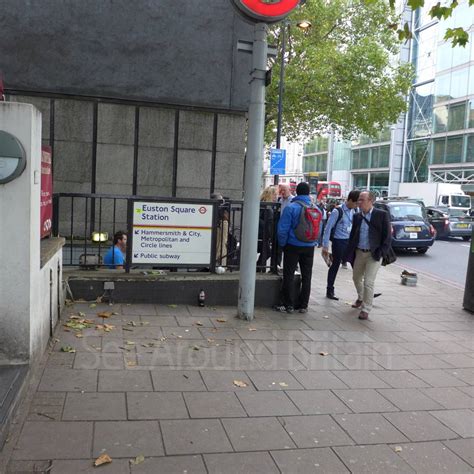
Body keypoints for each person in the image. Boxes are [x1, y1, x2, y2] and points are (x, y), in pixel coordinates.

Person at [345, 191, 391, 320]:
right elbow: (353, 235)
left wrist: (381, 252)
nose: (358, 202)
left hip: (374, 254)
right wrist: (349, 252)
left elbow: (387, 237)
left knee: (368, 282)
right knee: (356, 278)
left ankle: (366, 308)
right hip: (359, 252)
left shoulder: (381, 215)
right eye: (358, 200)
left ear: (371, 201)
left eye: (362, 200)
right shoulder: (357, 216)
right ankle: (361, 297)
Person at [276, 182, 319, 314]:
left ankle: (288, 304)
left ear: (297, 192)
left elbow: (282, 230)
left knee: (288, 274)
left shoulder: (291, 207)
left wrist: (282, 244)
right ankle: (303, 305)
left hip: (292, 245)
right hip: (309, 246)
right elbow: (319, 228)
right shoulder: (316, 208)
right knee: (307, 276)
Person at [322, 190, 360, 300]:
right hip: (339, 242)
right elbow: (328, 228)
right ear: (350, 200)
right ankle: (330, 290)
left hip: (349, 241)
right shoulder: (337, 211)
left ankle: (363, 292)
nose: (357, 205)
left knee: (356, 266)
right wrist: (325, 245)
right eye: (356, 202)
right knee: (335, 265)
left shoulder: (354, 210)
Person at [257, 186, 277, 272]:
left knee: (265, 252)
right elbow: (267, 223)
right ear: (270, 195)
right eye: (275, 195)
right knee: (267, 252)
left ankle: (259, 268)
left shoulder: (261, 204)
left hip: (260, 233)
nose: (276, 197)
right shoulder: (267, 207)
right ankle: (257, 268)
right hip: (262, 234)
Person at [276, 184, 293, 268]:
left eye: (284, 190)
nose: (282, 192)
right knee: (278, 249)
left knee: (289, 250)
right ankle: (277, 265)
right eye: (281, 190)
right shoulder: (280, 200)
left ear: (289, 190)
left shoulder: (293, 200)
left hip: (289, 228)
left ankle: (291, 267)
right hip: (281, 227)